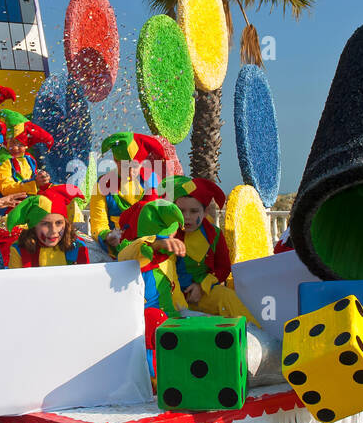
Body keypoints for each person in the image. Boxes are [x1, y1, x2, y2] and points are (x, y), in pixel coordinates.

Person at [161, 175, 257, 325]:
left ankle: (255, 335)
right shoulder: (167, 236)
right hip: (172, 298)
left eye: (193, 211)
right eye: (181, 211)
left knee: (226, 297)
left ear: (205, 212)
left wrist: (201, 286)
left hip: (203, 294)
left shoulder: (215, 235)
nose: (187, 217)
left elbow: (223, 268)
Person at [90, 132, 164, 252]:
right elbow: (98, 224)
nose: (130, 173)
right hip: (118, 252)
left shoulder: (152, 180)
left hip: (150, 247)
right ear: (115, 160)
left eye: (135, 167)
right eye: (125, 166)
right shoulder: (102, 185)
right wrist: (108, 236)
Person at [6, 186, 90, 268]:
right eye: (45, 224)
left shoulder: (77, 247)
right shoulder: (19, 250)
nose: (53, 230)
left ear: (66, 223)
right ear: (33, 226)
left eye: (58, 223)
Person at [0, 112, 53, 198]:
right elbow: (5, 188)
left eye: (20, 144)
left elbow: (32, 179)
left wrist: (43, 181)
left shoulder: (29, 159)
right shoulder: (1, 159)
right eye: (12, 143)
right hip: (6, 204)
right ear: (6, 141)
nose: (15, 148)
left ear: (26, 145)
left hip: (27, 200)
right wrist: (34, 183)